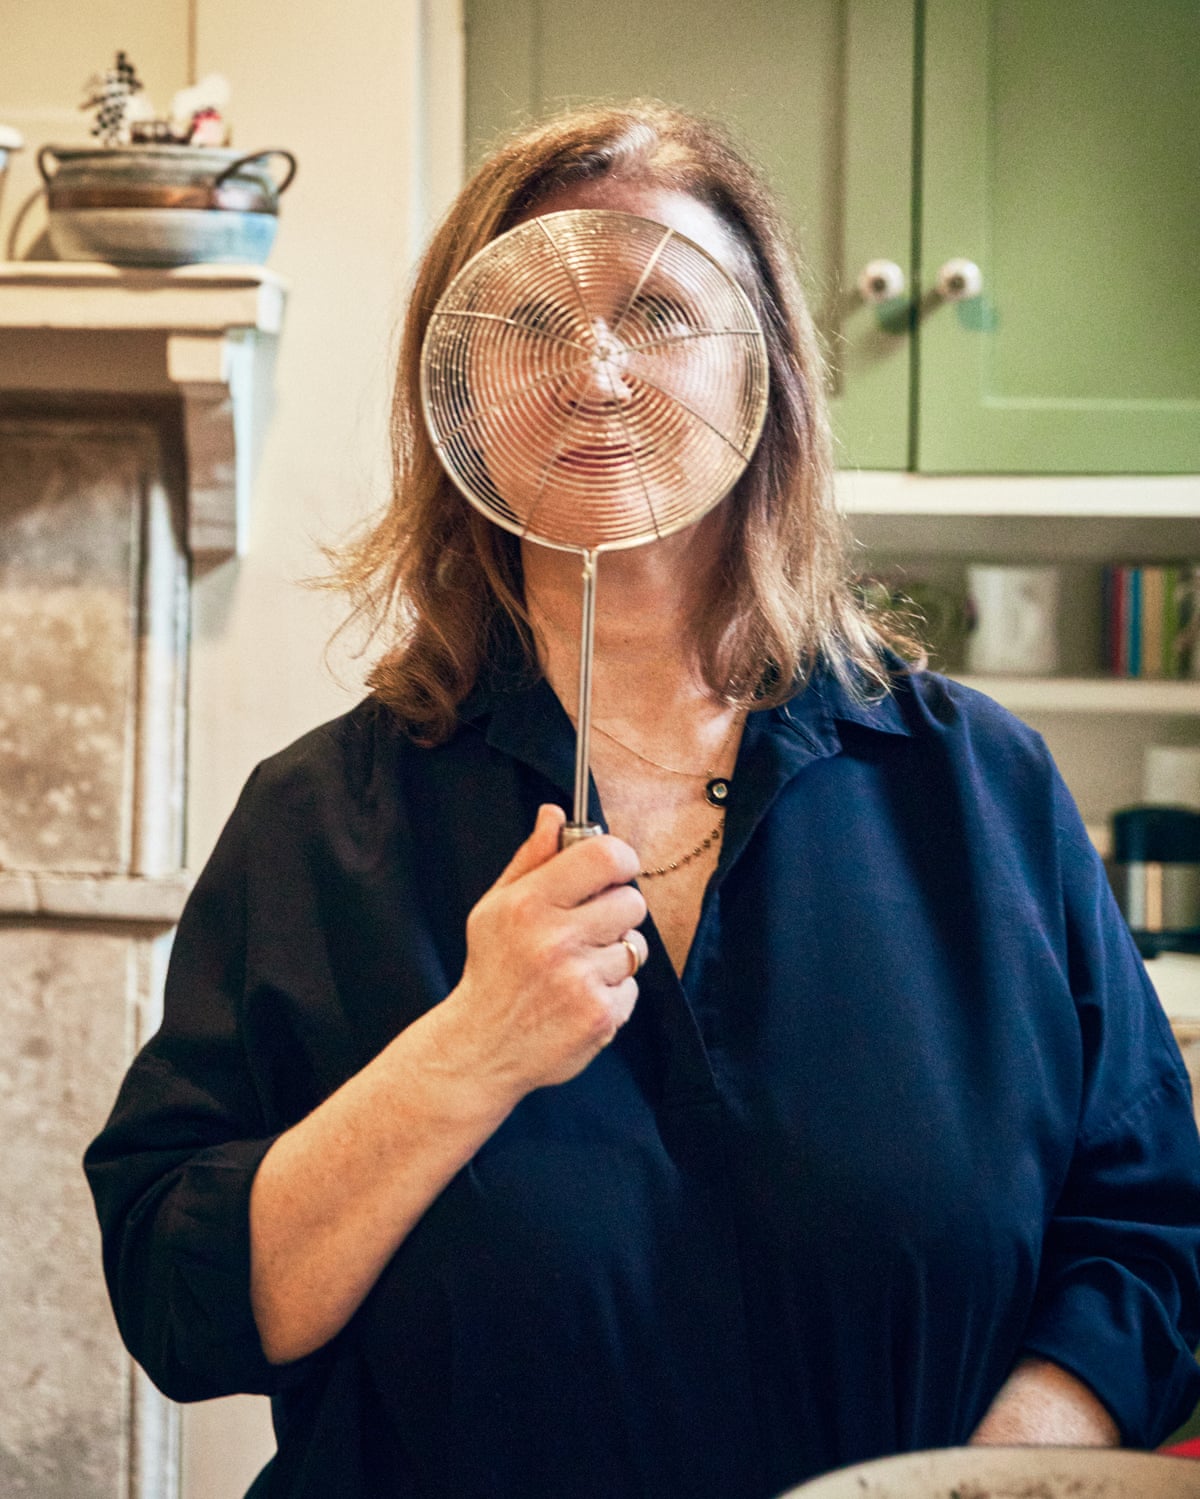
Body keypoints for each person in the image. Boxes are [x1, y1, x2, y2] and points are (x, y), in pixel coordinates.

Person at [84, 103, 1200, 1499]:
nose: (597, 366)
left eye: (658, 311)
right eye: (532, 323)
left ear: (765, 375)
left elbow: (1153, 1236)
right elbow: (181, 1304)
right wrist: (469, 1052)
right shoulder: (319, 824)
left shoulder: (981, 794)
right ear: (456, 393)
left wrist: (984, 1478)